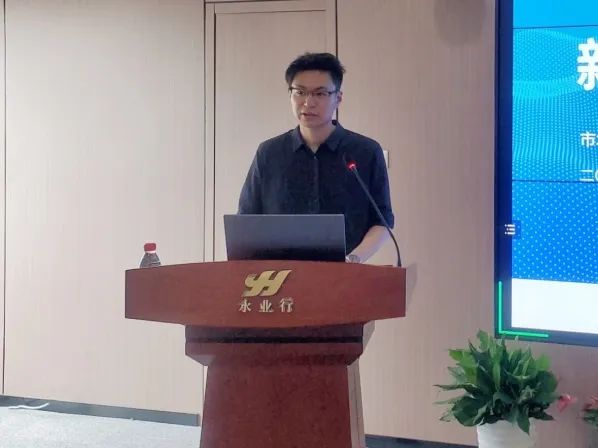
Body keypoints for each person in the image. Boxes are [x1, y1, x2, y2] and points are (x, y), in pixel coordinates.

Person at [238, 52, 394, 264]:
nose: (308, 102)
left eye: (320, 93)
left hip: (346, 274)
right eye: (300, 92)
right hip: (279, 276)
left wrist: (353, 260)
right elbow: (246, 220)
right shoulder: (268, 153)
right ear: (290, 94)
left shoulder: (365, 151)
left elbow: (382, 221)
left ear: (338, 98)